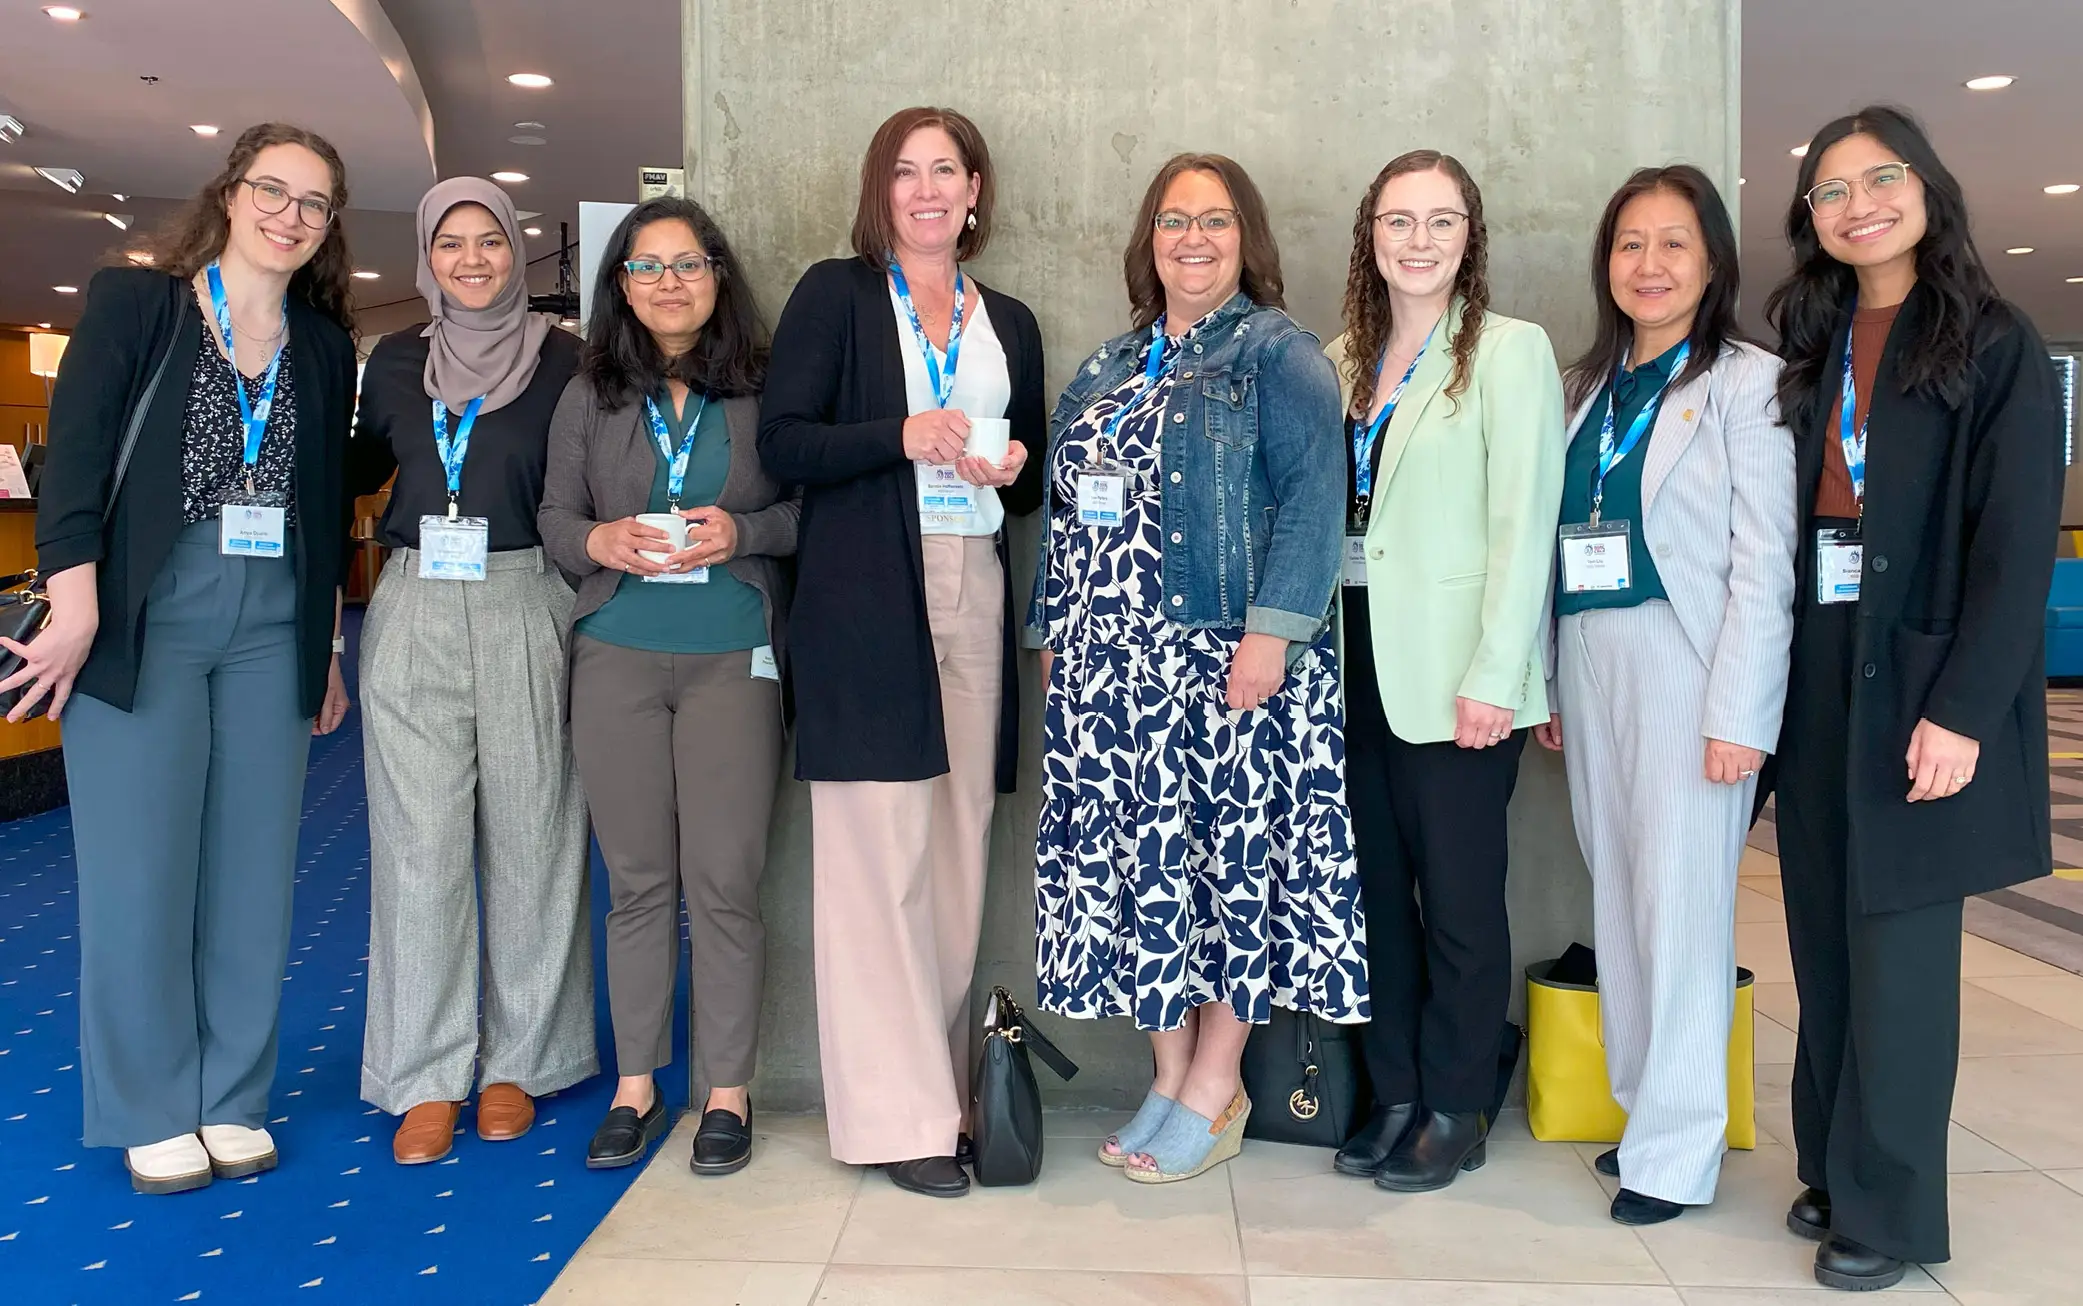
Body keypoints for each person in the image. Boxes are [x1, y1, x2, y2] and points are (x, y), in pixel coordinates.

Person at [5, 124, 356, 1193]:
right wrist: (71, 600)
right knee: (140, 870)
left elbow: (324, 506)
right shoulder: (140, 304)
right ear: (229, 192)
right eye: (273, 190)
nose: (290, 216)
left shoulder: (322, 343)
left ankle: (231, 1095)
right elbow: (71, 460)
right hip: (143, 608)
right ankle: (152, 1103)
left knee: (254, 868)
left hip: (274, 608)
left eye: (315, 203)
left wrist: (326, 642)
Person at [1761, 105, 2062, 1291]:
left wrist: (1963, 712)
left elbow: (2015, 546)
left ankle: (1887, 1209)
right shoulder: (1814, 333)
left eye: (1878, 178)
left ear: (1925, 186)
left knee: (1897, 950)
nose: (1857, 205)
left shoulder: (1993, 340)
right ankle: (1833, 1163)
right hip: (1822, 656)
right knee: (1822, 929)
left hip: (1922, 669)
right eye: (1830, 191)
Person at [1028, 153, 1362, 1184]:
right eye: (1173, 221)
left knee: (1222, 878)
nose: (1192, 239)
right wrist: (1054, 636)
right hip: (1108, 677)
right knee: (1142, 880)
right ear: (1149, 241)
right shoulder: (1108, 364)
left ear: (1245, 239)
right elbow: (1060, 518)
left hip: (1221, 667)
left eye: (1214, 221)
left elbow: (1316, 502)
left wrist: (1271, 635)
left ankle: (1217, 1085)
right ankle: (1167, 1077)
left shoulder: (1280, 355)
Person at [759, 105, 1044, 1199]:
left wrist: (1011, 457)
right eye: (905, 171)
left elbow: (1032, 467)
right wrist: (899, 436)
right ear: (882, 192)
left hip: (972, 581)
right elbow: (784, 441)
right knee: (875, 855)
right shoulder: (836, 294)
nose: (926, 189)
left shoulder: (1004, 319)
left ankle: (939, 1092)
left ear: (976, 190)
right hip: (864, 590)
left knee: (957, 840)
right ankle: (894, 1116)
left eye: (946, 170)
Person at [1531, 165, 1794, 1226]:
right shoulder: (1584, 387)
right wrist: (1546, 675)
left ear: (1713, 260)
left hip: (1690, 664)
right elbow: (1553, 548)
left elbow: (1762, 564)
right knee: (1622, 895)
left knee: (1682, 909)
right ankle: (1646, 1107)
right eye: (1630, 244)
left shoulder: (1747, 382)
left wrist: (1741, 714)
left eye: (1673, 243)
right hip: (1593, 656)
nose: (1648, 264)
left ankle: (1678, 1150)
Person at [539, 197, 796, 1175]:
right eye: (645, 268)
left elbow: (809, 509)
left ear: (718, 276)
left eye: (686, 264)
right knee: (639, 882)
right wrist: (597, 541)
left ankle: (724, 1089)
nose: (667, 283)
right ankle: (636, 1082)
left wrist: (750, 531)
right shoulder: (590, 392)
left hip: (737, 656)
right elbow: (557, 515)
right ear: (620, 288)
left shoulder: (764, 390)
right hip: (616, 656)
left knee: (725, 883)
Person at [1325, 150, 1565, 1193]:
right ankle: (1396, 1092)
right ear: (1369, 236)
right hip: (1351, 664)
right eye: (1397, 221)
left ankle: (1458, 1100)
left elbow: (1524, 526)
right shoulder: (1339, 361)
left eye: (1440, 220)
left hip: (1461, 674)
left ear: (1470, 237)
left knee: (1460, 903)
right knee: (1375, 897)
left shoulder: (1509, 352)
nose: (1416, 240)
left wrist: (1496, 675)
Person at [346, 178, 594, 1165]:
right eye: (450, 243)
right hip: (411, 601)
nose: (472, 258)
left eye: (489, 240)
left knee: (537, 838)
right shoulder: (395, 361)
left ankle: (519, 1063)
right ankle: (426, 1072)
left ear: (515, 249)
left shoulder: (568, 361)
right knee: (419, 849)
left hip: (528, 595)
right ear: (426, 256)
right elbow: (354, 471)